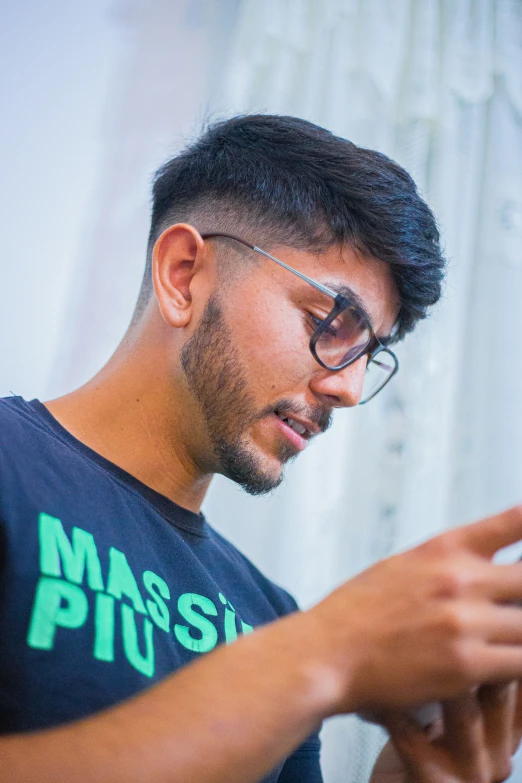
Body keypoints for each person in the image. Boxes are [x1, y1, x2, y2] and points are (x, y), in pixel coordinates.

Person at [1, 114, 522, 783]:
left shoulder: (270, 614)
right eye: (331, 322)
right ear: (184, 273)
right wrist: (328, 652)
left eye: (371, 352)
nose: (350, 388)